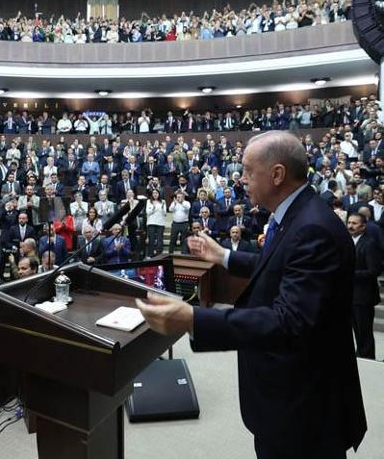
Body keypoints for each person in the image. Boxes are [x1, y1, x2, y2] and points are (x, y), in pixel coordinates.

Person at [136, 131, 366, 459]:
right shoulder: (296, 215)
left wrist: (193, 318)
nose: (241, 179)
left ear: (277, 174)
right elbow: (278, 265)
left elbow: (290, 321)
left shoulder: (312, 228)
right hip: (288, 395)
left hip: (304, 406)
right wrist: (223, 257)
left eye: (247, 170)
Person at [347, 212, 381, 360]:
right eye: (349, 223)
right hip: (351, 294)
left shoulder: (370, 243)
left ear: (363, 226)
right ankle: (360, 354)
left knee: (364, 330)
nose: (350, 226)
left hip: (364, 295)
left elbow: (373, 271)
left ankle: (367, 357)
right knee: (356, 330)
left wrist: (350, 274)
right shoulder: (348, 240)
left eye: (354, 223)